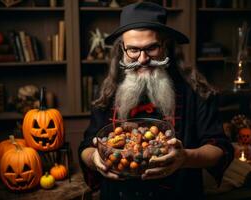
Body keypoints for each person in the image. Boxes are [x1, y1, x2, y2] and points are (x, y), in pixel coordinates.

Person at [78, 2, 234, 200]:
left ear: (166, 46)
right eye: (133, 50)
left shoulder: (196, 91)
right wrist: (94, 158)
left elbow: (220, 149)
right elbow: (86, 146)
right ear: (122, 50)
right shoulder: (108, 93)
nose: (142, 59)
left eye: (151, 48)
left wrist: (185, 158)